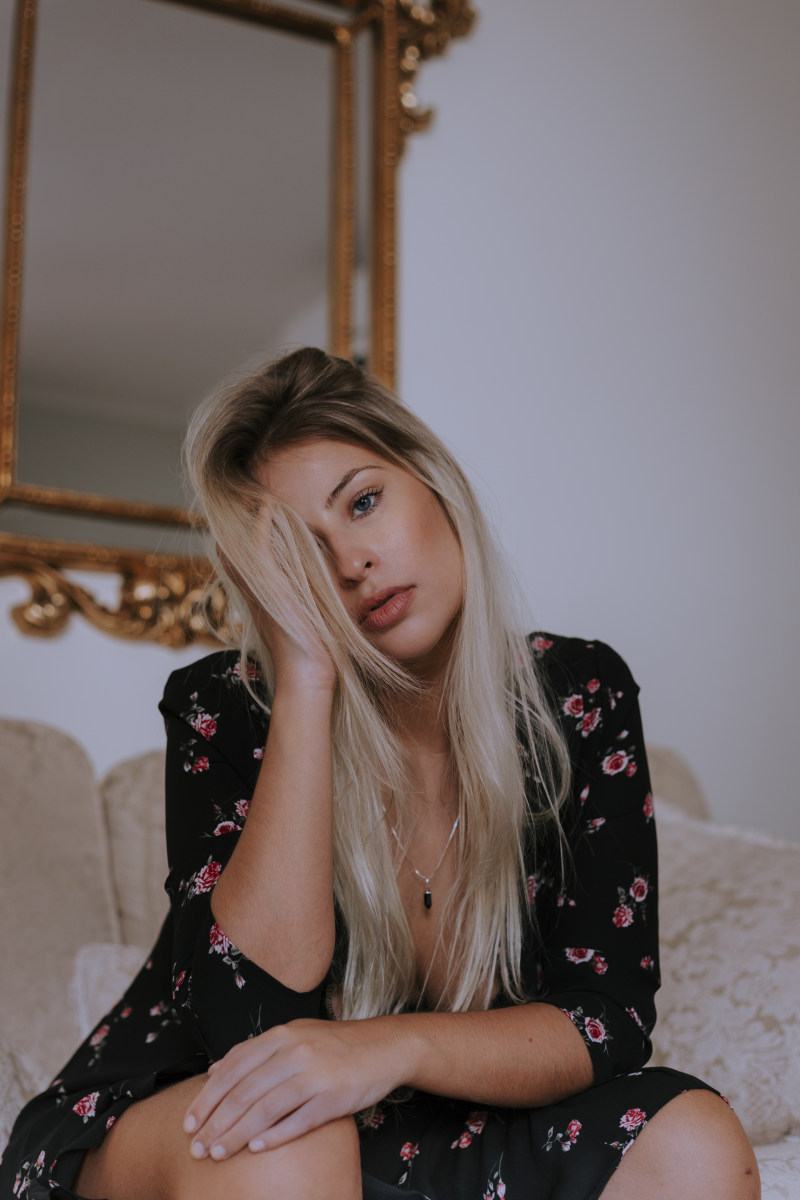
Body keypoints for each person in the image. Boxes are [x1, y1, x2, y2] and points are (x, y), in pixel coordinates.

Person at [1, 348, 758, 1200]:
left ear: (433, 482)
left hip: (411, 1122)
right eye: (302, 555)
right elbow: (249, 1020)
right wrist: (307, 685)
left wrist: (391, 1047)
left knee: (692, 1136)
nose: (351, 563)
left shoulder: (577, 696)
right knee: (294, 1142)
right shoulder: (227, 707)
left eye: (364, 503)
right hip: (201, 1121)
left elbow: (605, 1018)